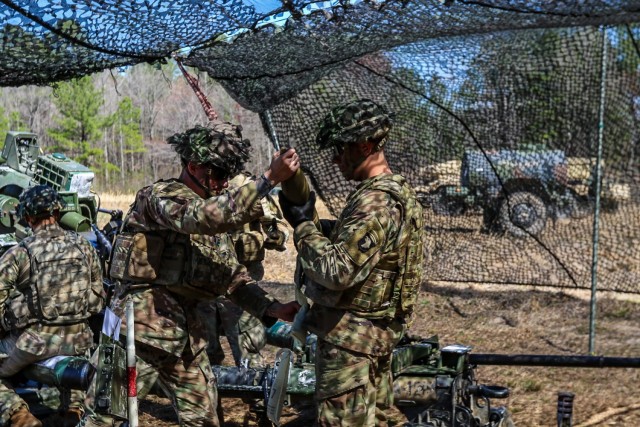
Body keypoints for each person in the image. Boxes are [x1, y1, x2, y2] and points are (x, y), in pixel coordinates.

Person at [86, 123, 300, 427]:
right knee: (103, 418)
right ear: (194, 166)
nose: (225, 184)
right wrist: (267, 180)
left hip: (186, 340)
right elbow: (200, 216)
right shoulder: (160, 197)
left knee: (205, 420)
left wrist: (270, 307)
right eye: (220, 175)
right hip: (138, 334)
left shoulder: (213, 218)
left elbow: (231, 275)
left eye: (229, 176)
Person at [278, 99, 425, 426]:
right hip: (373, 338)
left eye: (341, 149)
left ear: (365, 145)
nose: (335, 158)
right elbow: (372, 254)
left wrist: (303, 227)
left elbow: (338, 271)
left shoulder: (375, 201)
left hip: (351, 344)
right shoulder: (395, 191)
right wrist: (326, 229)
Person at [0, 185, 105, 427]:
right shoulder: (85, 247)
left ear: (27, 218)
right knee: (76, 356)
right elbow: (97, 299)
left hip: (34, 343)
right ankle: (74, 411)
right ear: (57, 214)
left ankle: (21, 418)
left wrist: (9, 322)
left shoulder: (20, 253)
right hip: (79, 339)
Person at [199, 170, 289, 368]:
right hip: (204, 281)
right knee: (204, 348)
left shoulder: (250, 187)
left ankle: (254, 393)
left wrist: (276, 236)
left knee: (246, 345)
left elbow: (276, 225)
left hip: (242, 280)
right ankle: (210, 394)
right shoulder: (200, 184)